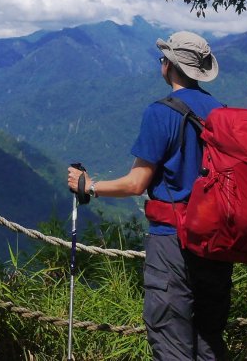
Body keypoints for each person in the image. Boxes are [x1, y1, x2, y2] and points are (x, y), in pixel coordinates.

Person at [66, 30, 233, 360]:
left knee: (171, 340)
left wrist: (89, 186)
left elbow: (136, 184)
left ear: (168, 66)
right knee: (209, 341)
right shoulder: (222, 112)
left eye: (163, 60)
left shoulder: (161, 113)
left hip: (173, 240)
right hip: (217, 242)